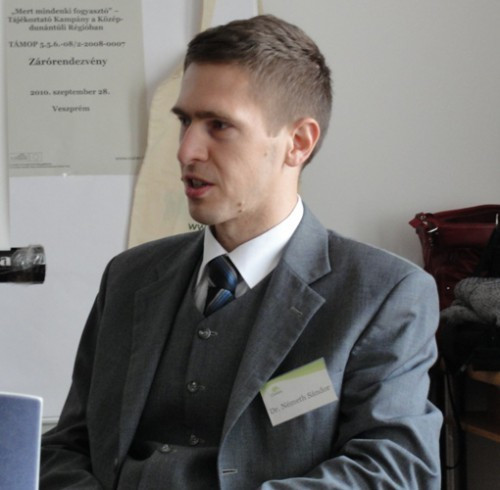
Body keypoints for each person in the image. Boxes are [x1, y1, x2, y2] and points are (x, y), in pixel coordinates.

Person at [40, 14, 442, 489]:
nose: (186, 151)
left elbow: (392, 471)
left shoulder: (384, 294)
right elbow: (67, 447)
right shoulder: (129, 277)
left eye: (219, 125)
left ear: (298, 142)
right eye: (185, 121)